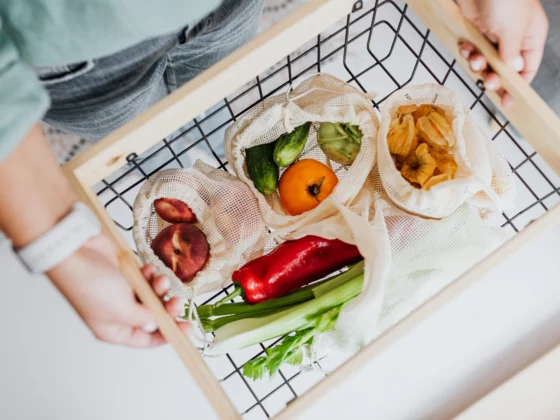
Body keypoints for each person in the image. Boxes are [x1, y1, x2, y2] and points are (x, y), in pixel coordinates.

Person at [0, 0, 551, 348]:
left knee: (218, 63)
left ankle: (191, 108)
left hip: (221, 7)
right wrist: (59, 246)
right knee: (122, 115)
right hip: (77, 48)